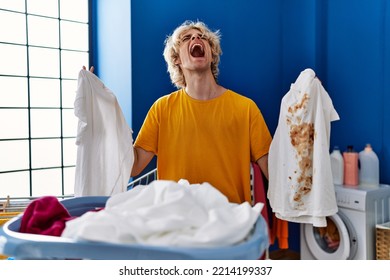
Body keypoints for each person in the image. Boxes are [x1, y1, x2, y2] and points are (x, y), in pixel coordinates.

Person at [85, 20, 272, 204]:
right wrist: (101, 109)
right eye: (186, 38)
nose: (196, 38)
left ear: (212, 54)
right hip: (177, 221)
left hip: (229, 223)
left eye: (202, 37)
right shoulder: (162, 108)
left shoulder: (246, 108)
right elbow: (134, 166)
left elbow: (272, 170)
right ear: (176, 59)